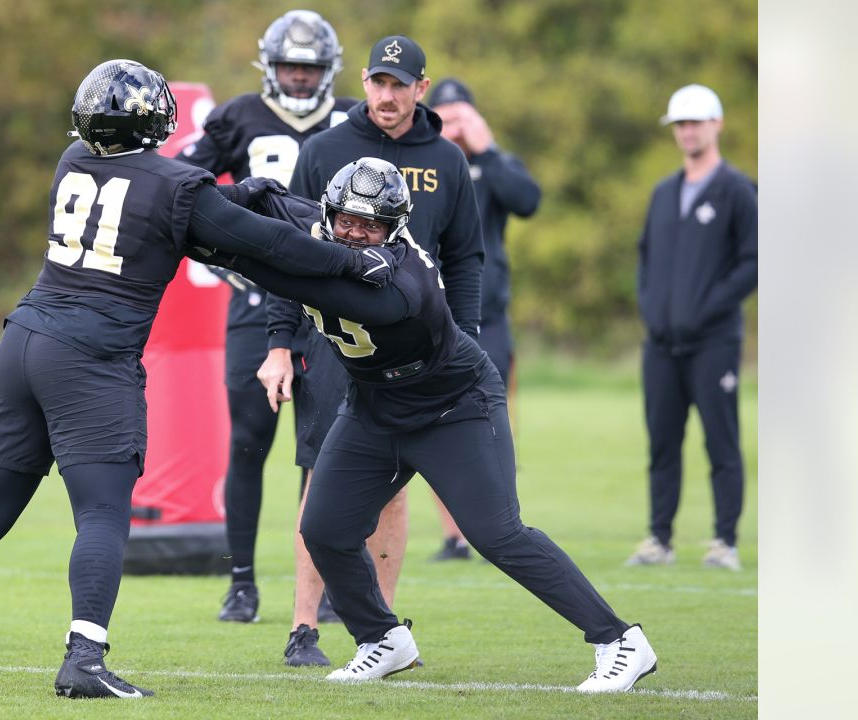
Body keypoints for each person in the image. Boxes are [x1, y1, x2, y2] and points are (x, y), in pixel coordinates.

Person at [0, 59, 398, 698]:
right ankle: (85, 659)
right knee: (102, 513)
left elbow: (161, 212)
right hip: (90, 358)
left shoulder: (73, 160)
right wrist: (354, 261)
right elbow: (265, 245)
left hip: (28, 339)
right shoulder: (175, 185)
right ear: (154, 119)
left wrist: (238, 192)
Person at [230, 156, 658, 692]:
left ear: (395, 229)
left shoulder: (404, 282)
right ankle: (381, 638)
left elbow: (317, 277)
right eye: (347, 221)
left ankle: (620, 641)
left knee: (497, 533)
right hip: (373, 405)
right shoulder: (323, 227)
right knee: (323, 528)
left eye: (372, 226)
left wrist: (234, 245)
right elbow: (281, 205)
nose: (356, 234)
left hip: (451, 406)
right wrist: (229, 200)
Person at [177, 11, 393, 665]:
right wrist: (224, 250)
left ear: (328, 70)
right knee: (248, 440)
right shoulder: (239, 115)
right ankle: (241, 581)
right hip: (254, 302)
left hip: (332, 301)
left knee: (328, 449)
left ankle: (328, 586)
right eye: (290, 66)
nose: (299, 78)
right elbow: (187, 184)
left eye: (309, 67)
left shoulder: (354, 117)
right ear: (270, 66)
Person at [261, 33, 485, 652]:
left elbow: (465, 259)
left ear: (420, 88)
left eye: (400, 85)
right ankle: (304, 626)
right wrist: (279, 343)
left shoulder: (446, 159)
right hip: (331, 340)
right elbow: (286, 252)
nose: (387, 96)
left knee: (394, 483)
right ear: (363, 82)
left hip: (415, 349)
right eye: (378, 83)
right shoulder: (325, 149)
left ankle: (380, 628)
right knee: (318, 475)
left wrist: (465, 343)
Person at [627, 84, 757, 571]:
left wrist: (706, 308)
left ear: (716, 125)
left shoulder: (737, 191)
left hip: (713, 342)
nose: (688, 131)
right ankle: (659, 539)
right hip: (661, 344)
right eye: (680, 124)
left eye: (696, 122)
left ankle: (725, 541)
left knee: (720, 441)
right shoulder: (664, 193)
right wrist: (651, 308)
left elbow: (753, 261)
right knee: (662, 442)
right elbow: (645, 259)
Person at [423, 77, 542, 562]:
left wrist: (486, 148)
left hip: (486, 317)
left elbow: (528, 200)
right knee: (430, 422)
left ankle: (499, 525)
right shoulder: (421, 165)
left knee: (489, 421)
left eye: (461, 113)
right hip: (429, 317)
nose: (454, 122)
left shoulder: (494, 167)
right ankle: (454, 535)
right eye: (444, 113)